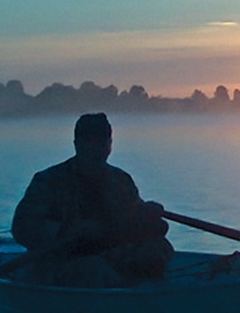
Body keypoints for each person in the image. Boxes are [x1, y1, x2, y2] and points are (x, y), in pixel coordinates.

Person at [11, 113, 174, 286]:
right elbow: (22, 227)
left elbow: (133, 217)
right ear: (77, 144)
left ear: (110, 145)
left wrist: (148, 214)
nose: (96, 148)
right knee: (92, 269)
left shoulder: (121, 180)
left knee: (159, 247)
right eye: (89, 141)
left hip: (110, 254)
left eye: (102, 141)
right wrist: (68, 230)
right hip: (61, 260)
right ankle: (126, 293)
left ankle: (142, 290)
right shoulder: (49, 181)